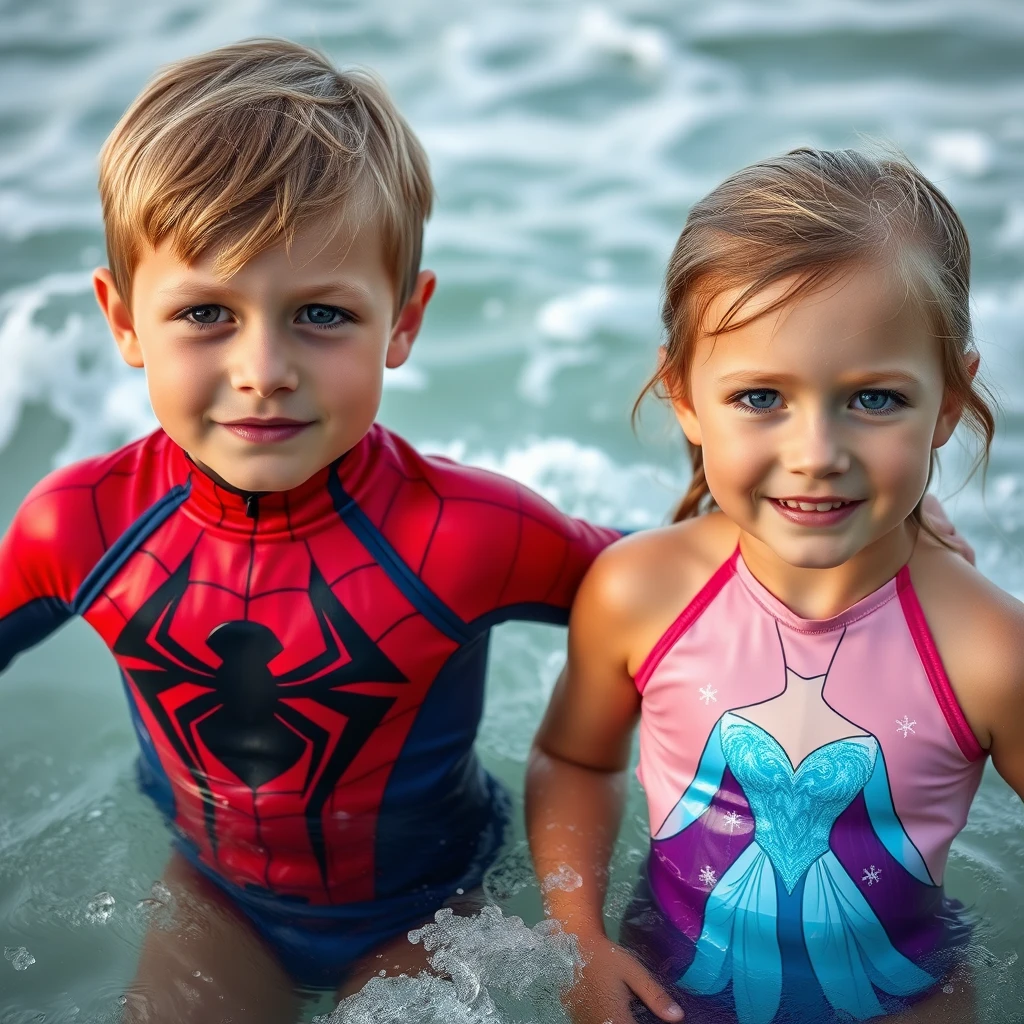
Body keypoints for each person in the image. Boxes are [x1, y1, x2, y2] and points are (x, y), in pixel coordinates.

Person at [0, 39, 625, 1020]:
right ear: (122, 320)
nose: (264, 368)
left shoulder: (467, 533)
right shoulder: (79, 527)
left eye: (321, 315)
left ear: (403, 321)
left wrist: (851, 536)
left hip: (435, 907)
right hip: (216, 898)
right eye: (206, 311)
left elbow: (664, 583)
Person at [525, 147, 1023, 1024]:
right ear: (684, 395)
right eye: (761, 398)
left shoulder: (985, 648)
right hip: (666, 993)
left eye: (874, 400)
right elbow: (573, 759)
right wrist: (578, 938)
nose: (815, 453)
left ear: (949, 400)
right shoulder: (642, 592)